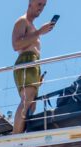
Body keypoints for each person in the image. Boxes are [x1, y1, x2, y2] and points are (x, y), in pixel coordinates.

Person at [11, 1, 56, 133]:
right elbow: (16, 45)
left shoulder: (31, 25)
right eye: (39, 4)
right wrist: (39, 32)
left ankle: (22, 133)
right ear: (31, 2)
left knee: (32, 104)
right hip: (27, 61)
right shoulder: (22, 21)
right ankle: (16, 136)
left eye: (43, 6)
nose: (41, 8)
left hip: (33, 64)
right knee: (27, 100)